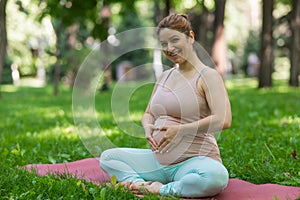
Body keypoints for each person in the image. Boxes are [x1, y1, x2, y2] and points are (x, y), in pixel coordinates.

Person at [100, 13, 232, 198]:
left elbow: (223, 120)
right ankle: (141, 185)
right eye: (163, 44)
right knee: (109, 157)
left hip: (194, 160)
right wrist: (147, 126)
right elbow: (148, 113)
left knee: (215, 177)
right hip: (158, 163)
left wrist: (180, 130)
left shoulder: (207, 76)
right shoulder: (164, 76)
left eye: (175, 40)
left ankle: (160, 189)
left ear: (191, 37)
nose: (169, 48)